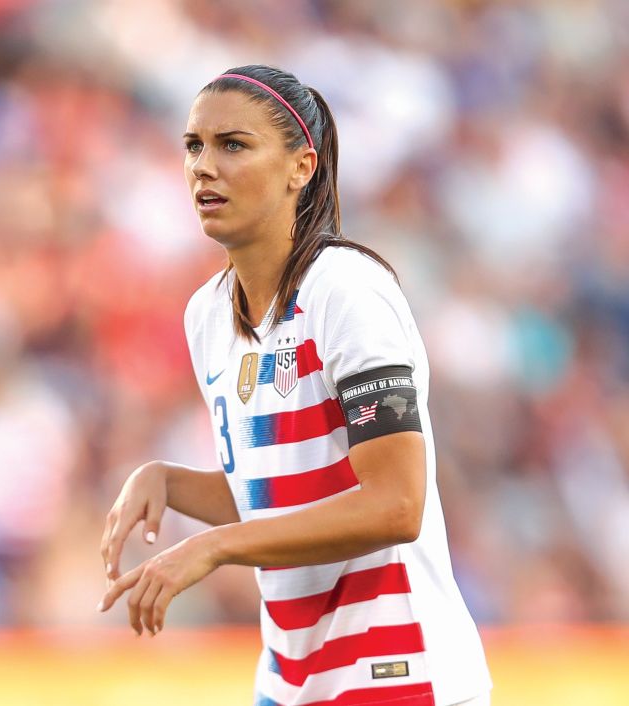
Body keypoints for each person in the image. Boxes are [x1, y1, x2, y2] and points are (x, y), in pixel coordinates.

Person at [97, 65, 492, 706]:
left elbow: (395, 503)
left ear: (300, 167)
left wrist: (215, 548)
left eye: (234, 145)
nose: (203, 165)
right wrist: (167, 481)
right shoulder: (207, 315)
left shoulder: (347, 290)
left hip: (396, 671)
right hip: (288, 680)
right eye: (194, 145)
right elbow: (282, 498)